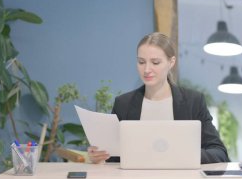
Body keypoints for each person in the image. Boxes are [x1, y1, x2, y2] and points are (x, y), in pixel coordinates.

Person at [88, 32, 230, 164]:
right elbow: (114, 157)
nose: (147, 69)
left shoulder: (193, 101)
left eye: (155, 62)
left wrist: (186, 155)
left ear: (171, 62)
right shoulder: (123, 104)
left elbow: (219, 153)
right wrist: (99, 156)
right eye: (141, 62)